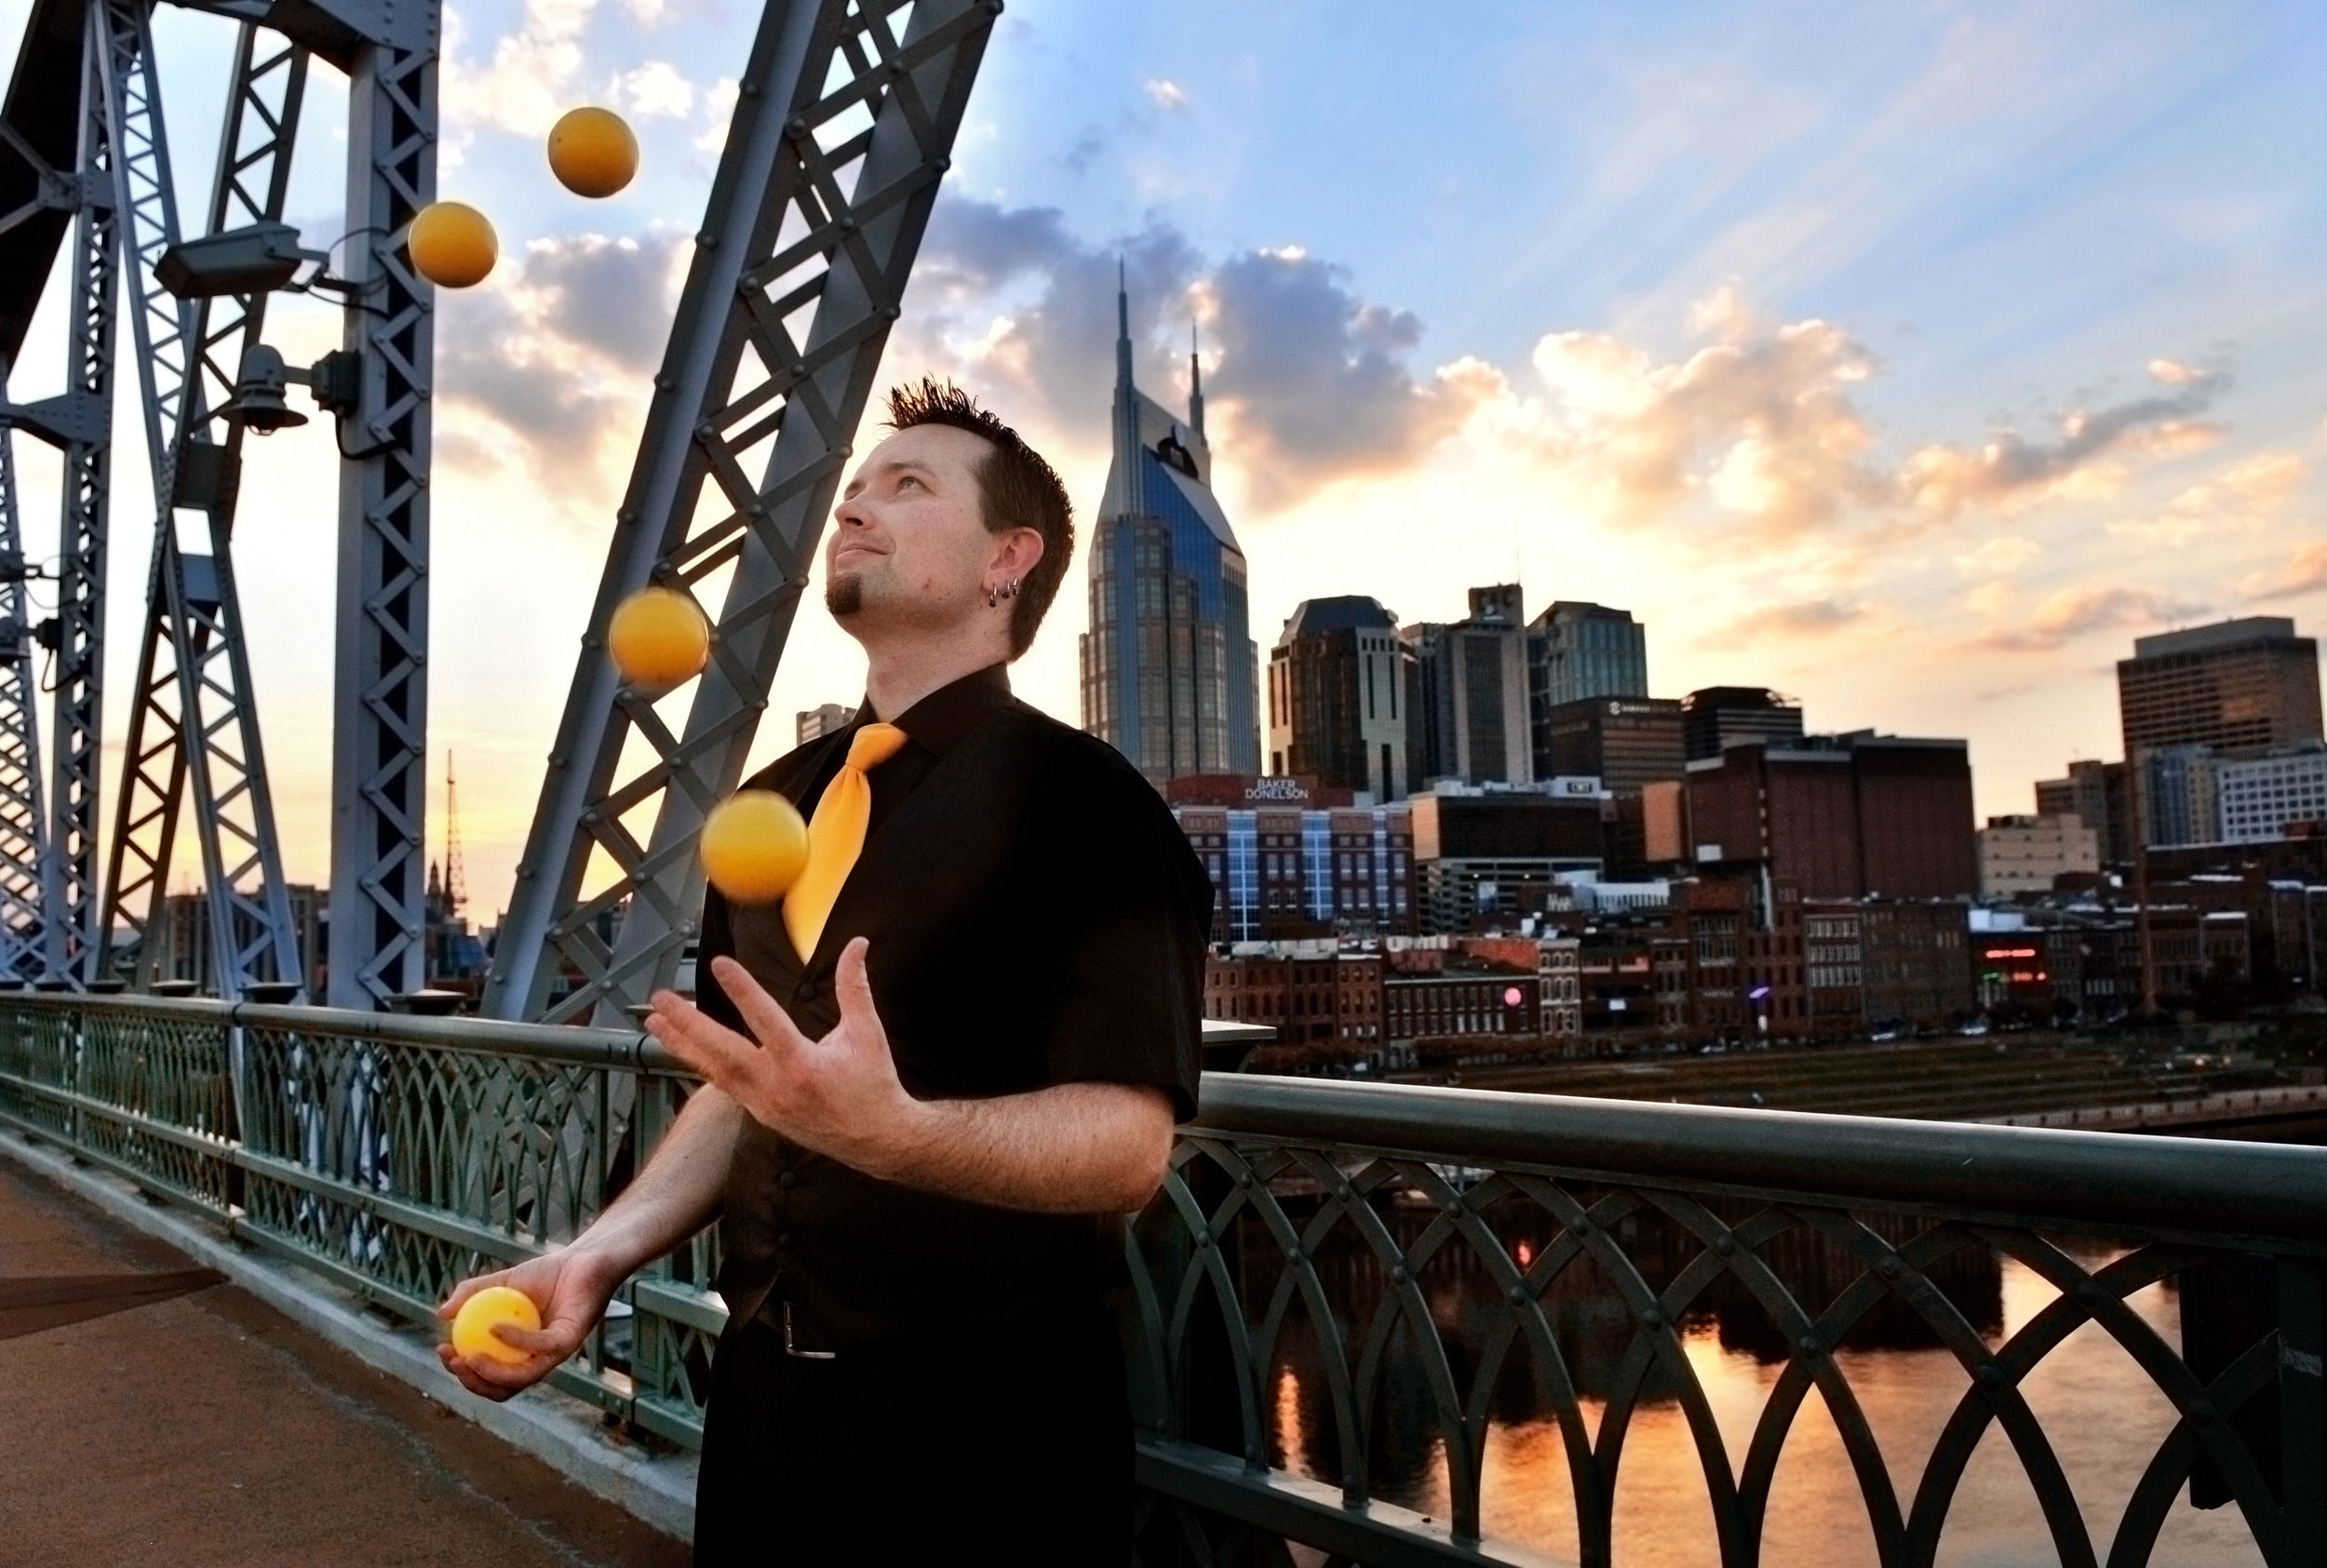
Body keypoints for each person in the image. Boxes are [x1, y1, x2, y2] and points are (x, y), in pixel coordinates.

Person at [435, 379, 1210, 1562]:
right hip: (762, 1408)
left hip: (988, 1438)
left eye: (908, 485)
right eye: (852, 486)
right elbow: (749, 1085)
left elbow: (1126, 1145)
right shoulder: (771, 803)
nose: (853, 506)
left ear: (1011, 558)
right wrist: (595, 1251)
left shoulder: (1088, 806)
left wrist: (891, 1133)